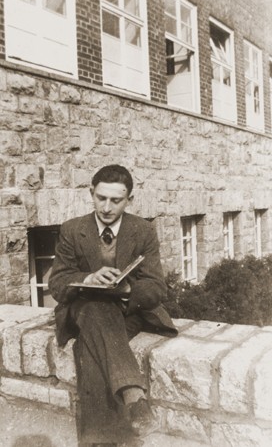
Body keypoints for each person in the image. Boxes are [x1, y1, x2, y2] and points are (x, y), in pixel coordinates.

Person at [48, 165, 177, 446]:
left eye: (116, 200)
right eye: (100, 198)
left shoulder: (142, 230)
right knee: (95, 308)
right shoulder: (73, 229)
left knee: (90, 346)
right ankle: (134, 396)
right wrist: (87, 278)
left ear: (129, 199)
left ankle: (98, 442)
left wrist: (128, 288)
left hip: (127, 311)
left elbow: (156, 289)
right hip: (83, 309)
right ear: (91, 193)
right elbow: (57, 285)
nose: (106, 207)